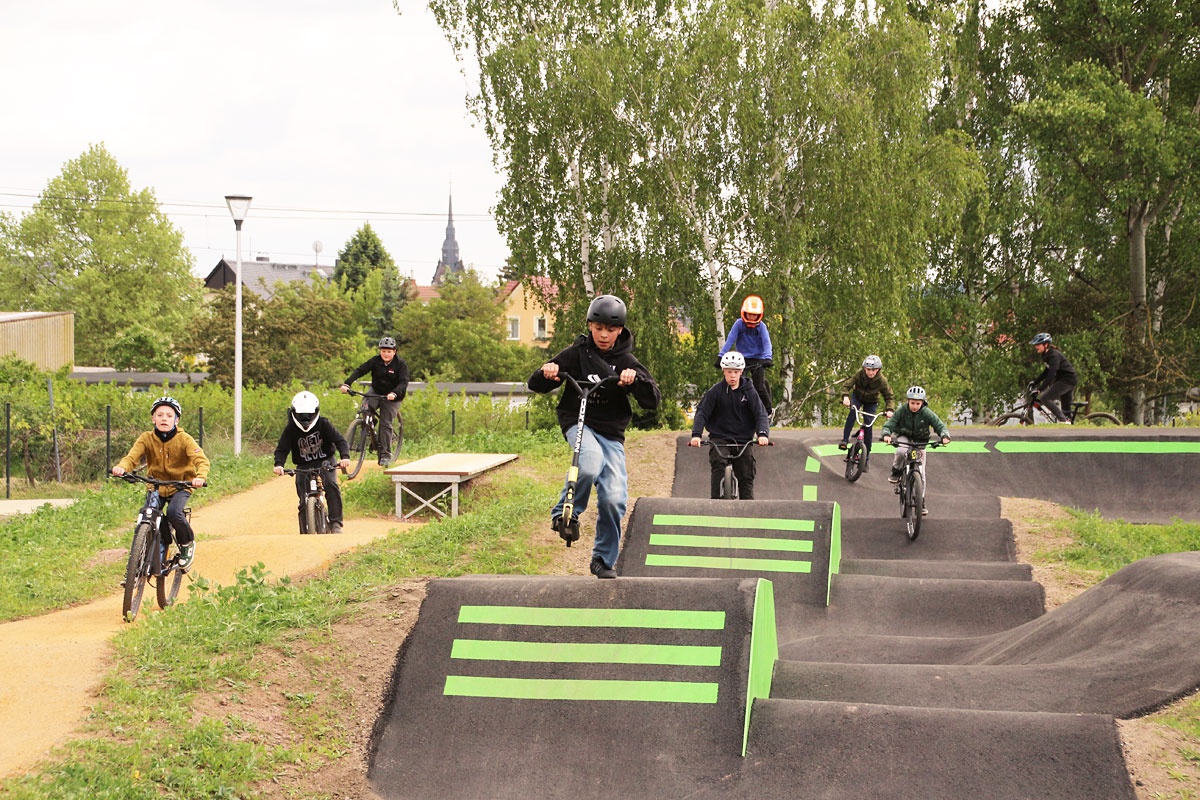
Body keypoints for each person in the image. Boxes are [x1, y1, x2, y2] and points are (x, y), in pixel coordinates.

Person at [529, 294, 661, 579]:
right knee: (589, 461)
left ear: (620, 331)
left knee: (614, 499)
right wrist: (548, 371)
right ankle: (565, 513)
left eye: (610, 330)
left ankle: (602, 559)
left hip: (611, 433)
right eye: (598, 328)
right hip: (578, 423)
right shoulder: (577, 354)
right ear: (590, 325)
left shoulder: (627, 360)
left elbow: (653, 400)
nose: (604, 335)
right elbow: (535, 383)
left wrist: (634, 382)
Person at [111, 396, 209, 569]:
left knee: (173, 512)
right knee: (149, 514)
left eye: (169, 415)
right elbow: (131, 458)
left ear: (176, 420)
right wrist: (121, 468)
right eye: (160, 415)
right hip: (155, 485)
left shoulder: (184, 439)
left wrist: (200, 476)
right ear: (153, 418)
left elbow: (201, 460)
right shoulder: (146, 438)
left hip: (181, 485)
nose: (164, 419)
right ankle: (152, 552)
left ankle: (187, 544)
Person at [688, 351, 770, 499]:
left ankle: (748, 506)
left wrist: (763, 434)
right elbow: (702, 413)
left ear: (741, 372)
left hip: (743, 439)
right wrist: (696, 435)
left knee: (746, 472)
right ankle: (715, 502)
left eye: (736, 372)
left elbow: (760, 414)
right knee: (718, 463)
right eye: (729, 372)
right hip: (720, 438)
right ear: (724, 371)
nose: (732, 376)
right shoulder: (716, 391)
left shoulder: (749, 391)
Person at [273, 391, 351, 533]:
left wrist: (345, 457)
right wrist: (279, 464)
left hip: (326, 460)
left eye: (309, 415)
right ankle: (304, 530)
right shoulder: (291, 429)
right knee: (303, 497)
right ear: (294, 413)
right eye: (301, 416)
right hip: (304, 464)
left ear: (315, 412)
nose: (305, 419)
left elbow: (340, 440)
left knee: (332, 485)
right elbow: (282, 449)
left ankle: (336, 523)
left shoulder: (323, 424)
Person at [881, 386, 950, 517]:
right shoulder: (902, 411)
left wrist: (945, 435)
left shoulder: (927, 413)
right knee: (901, 451)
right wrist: (886, 434)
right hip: (904, 436)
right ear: (908, 401)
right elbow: (891, 423)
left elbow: (939, 424)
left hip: (920, 441)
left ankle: (921, 500)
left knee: (921, 473)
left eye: (918, 403)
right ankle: (896, 471)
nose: (915, 406)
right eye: (912, 403)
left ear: (923, 403)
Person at [340, 336, 409, 467]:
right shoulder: (375, 361)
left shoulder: (400, 364)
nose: (386, 354)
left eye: (389, 351)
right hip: (376, 391)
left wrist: (394, 393)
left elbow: (403, 382)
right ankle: (370, 424)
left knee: (385, 423)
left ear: (394, 352)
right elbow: (360, 370)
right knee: (365, 408)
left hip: (393, 395)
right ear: (380, 351)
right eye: (383, 351)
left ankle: (385, 454)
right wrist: (347, 383)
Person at [837, 354, 895, 473]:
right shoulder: (859, 374)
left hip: (871, 402)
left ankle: (866, 459)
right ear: (864, 368)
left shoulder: (882, 381)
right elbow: (846, 386)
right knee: (853, 413)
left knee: (868, 426)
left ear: (878, 370)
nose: (870, 372)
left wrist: (890, 410)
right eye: (868, 369)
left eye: (873, 370)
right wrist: (845, 397)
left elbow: (889, 397)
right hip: (857, 397)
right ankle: (844, 440)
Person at [718, 295, 773, 415]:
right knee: (737, 383)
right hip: (742, 358)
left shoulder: (761, 327)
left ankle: (768, 411)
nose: (752, 317)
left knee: (758, 386)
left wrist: (768, 358)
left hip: (759, 359)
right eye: (750, 314)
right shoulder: (739, 324)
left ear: (759, 315)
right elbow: (730, 340)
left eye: (754, 315)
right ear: (744, 313)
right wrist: (721, 356)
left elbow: (767, 343)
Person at [1030, 333, 1077, 423]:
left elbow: (1051, 375)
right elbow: (1046, 371)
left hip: (1067, 380)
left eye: (1038, 345)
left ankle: (1063, 421)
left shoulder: (1054, 355)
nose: (1036, 347)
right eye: (1035, 345)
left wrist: (1040, 390)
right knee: (1066, 412)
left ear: (1046, 344)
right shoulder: (1046, 355)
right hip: (1064, 380)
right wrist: (1035, 382)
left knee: (1045, 398)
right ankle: (1069, 425)